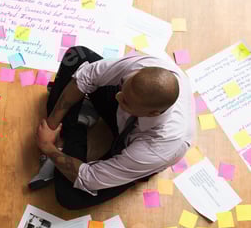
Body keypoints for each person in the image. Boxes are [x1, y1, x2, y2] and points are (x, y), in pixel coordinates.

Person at [30, 46, 195, 210]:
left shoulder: (157, 149)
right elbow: (87, 75)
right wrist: (51, 126)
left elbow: (89, 178)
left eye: (125, 102)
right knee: (77, 55)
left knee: (70, 198)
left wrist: (48, 147)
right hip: (133, 113)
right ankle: (72, 126)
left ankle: (74, 130)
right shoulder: (146, 67)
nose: (117, 97)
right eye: (123, 87)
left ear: (152, 113)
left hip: (135, 150)